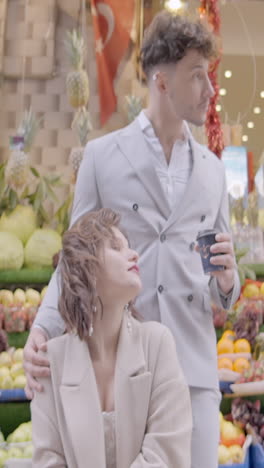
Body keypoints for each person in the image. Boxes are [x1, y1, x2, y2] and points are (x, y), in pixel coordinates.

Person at [24, 11, 240, 468]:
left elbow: (223, 289)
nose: (209, 90)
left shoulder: (213, 170)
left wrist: (227, 280)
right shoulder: (104, 157)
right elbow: (74, 255)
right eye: (197, 76)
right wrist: (42, 330)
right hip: (127, 367)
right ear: (161, 81)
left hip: (194, 368)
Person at [30, 208, 192, 468]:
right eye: (116, 247)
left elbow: (166, 455)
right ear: (86, 269)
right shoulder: (50, 363)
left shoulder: (157, 344)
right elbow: (47, 460)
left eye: (128, 246)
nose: (134, 254)